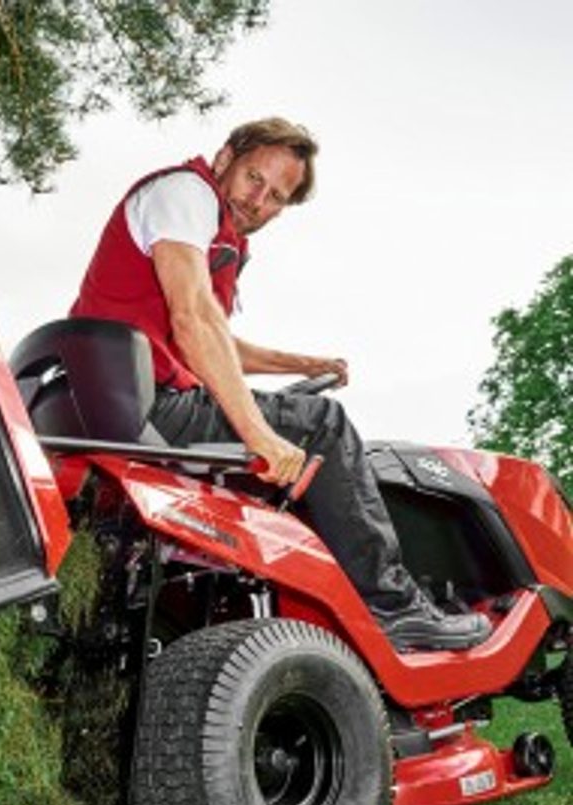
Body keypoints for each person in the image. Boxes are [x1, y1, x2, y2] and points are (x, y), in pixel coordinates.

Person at [70, 116, 490, 651]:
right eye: (254, 179)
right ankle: (394, 606)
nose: (257, 201)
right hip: (148, 405)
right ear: (225, 158)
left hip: (114, 400)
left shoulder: (203, 228)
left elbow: (216, 343)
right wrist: (259, 435)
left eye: (276, 197)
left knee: (292, 438)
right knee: (326, 427)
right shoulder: (186, 194)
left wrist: (304, 363)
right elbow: (195, 322)